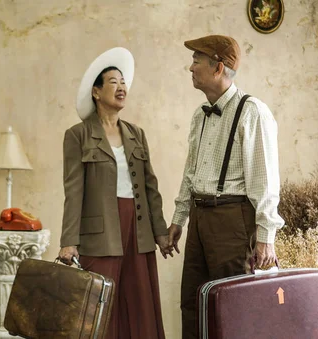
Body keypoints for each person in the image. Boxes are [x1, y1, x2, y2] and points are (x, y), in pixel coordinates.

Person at [167, 35, 285, 338]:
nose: (189, 67)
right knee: (193, 304)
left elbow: (265, 180)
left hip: (233, 221)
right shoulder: (199, 115)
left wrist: (266, 237)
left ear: (218, 67)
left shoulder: (252, 111)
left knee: (234, 308)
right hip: (200, 219)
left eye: (196, 61)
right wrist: (179, 219)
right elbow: (190, 173)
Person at [58, 47, 173, 339]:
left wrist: (160, 233)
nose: (121, 87)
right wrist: (69, 241)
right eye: (113, 82)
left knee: (140, 306)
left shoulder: (137, 134)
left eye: (123, 82)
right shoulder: (77, 135)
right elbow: (73, 191)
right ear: (96, 92)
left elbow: (150, 188)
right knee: (100, 309)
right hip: (100, 232)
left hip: (139, 230)